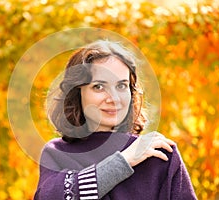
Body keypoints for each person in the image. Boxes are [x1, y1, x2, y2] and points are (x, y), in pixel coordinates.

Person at [34, 40, 197, 200]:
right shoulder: (57, 154)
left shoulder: (158, 154)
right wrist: (123, 161)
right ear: (77, 92)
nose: (114, 98)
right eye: (98, 86)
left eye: (121, 86)